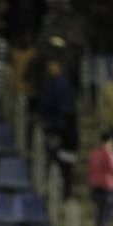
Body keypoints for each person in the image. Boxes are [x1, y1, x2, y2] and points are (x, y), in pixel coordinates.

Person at [38, 59, 78, 198]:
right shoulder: (48, 83)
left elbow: (66, 114)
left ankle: (64, 192)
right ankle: (52, 188)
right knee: (52, 161)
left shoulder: (63, 85)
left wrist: (59, 130)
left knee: (64, 168)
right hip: (52, 129)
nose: (51, 69)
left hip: (64, 142)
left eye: (53, 67)